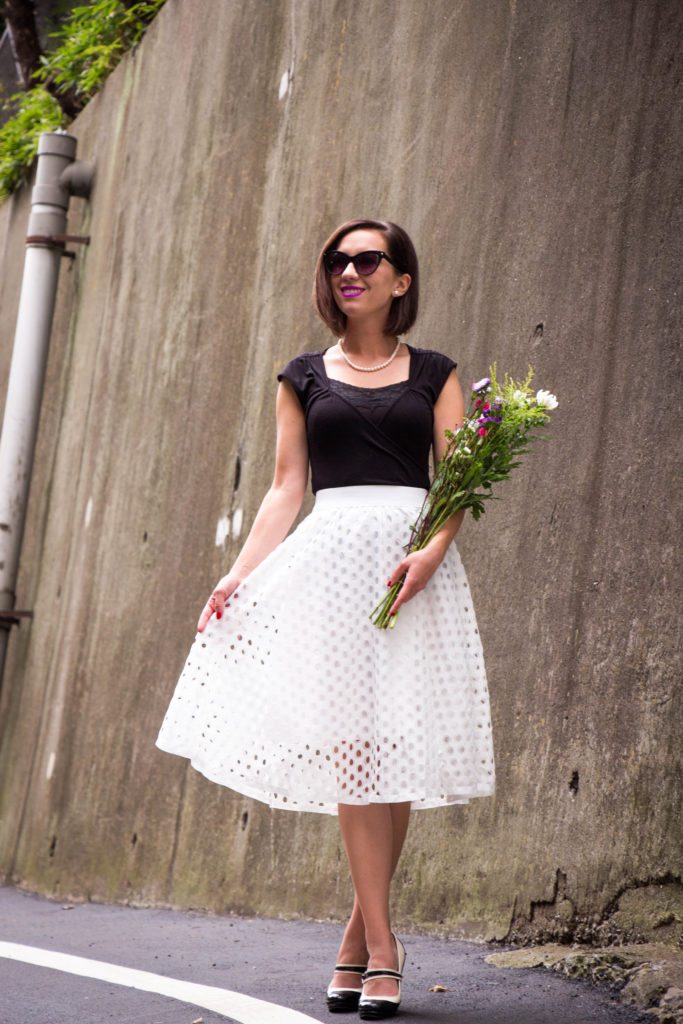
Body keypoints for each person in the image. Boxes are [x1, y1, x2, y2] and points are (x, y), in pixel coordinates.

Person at [155, 218, 495, 1020]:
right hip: (331, 570)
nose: (350, 270)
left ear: (399, 280)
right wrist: (239, 573)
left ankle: (357, 938)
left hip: (410, 567)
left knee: (393, 746)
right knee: (354, 751)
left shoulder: (437, 373)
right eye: (337, 260)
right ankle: (382, 950)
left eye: (367, 259)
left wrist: (431, 555)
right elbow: (284, 489)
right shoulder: (302, 375)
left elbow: (458, 483)